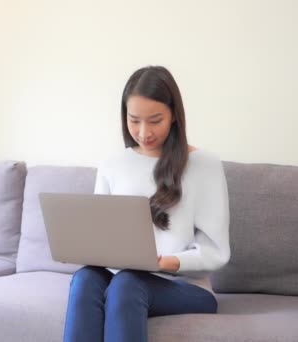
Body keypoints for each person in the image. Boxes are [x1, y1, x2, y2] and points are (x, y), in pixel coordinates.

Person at [63, 65, 231, 342]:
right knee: (85, 279)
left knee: (127, 283)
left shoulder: (205, 165)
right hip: (121, 278)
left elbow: (216, 251)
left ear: (174, 115)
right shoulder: (111, 165)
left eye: (155, 120)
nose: (143, 132)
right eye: (134, 120)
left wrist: (167, 261)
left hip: (184, 286)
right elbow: (100, 237)